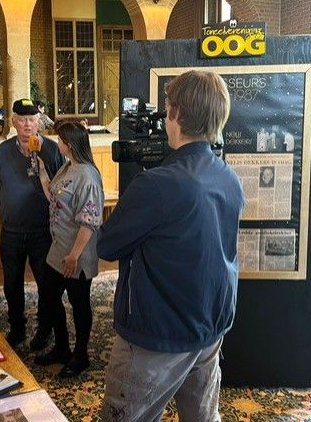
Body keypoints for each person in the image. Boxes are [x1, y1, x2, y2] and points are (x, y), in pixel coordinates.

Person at [97, 70, 245, 422]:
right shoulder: (228, 177)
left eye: (167, 110)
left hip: (157, 336)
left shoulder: (156, 184)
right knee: (203, 417)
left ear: (175, 114)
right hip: (209, 327)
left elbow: (107, 244)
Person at [0, 98, 65, 349]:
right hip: (11, 231)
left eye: (32, 119)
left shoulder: (52, 149)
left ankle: (44, 329)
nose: (27, 124)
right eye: (22, 120)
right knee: (11, 284)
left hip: (43, 231)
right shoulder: (4, 150)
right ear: (14, 122)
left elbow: (64, 187)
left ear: (39, 122)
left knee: (46, 285)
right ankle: (17, 327)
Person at [35, 122, 104, 377]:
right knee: (49, 297)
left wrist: (74, 256)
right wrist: (43, 172)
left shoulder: (88, 176)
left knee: (79, 303)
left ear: (70, 145)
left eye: (60, 140)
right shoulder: (67, 167)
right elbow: (55, 197)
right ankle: (62, 348)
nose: (57, 143)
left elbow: (89, 222)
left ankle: (80, 355)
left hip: (77, 253)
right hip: (58, 249)